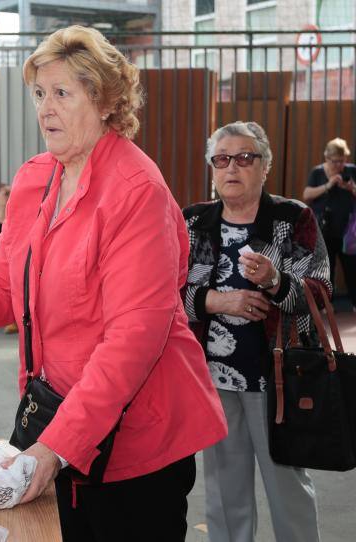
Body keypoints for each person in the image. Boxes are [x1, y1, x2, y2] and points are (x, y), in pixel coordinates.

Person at [0, 25, 227, 541]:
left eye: (62, 93)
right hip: (54, 421)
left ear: (104, 102)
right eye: (39, 93)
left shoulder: (136, 191)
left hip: (136, 444)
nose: (45, 108)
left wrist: (57, 446)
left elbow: (133, 340)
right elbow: (6, 280)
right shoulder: (35, 177)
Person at [182, 121, 329, 542]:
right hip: (211, 379)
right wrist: (214, 301)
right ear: (212, 168)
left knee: (288, 489)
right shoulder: (193, 222)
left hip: (278, 380)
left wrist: (275, 281)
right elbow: (162, 290)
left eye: (246, 157)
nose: (233, 167)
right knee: (225, 495)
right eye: (223, 159)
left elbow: (320, 292)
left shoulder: (292, 217)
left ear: (265, 166)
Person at [302, 137, 356, 309]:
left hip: (348, 231)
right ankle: (326, 304)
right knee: (327, 268)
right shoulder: (317, 172)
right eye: (335, 161)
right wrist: (328, 185)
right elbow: (307, 195)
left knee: (352, 268)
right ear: (327, 158)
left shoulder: (352, 171)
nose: (339, 165)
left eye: (342, 161)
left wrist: (351, 189)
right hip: (324, 229)